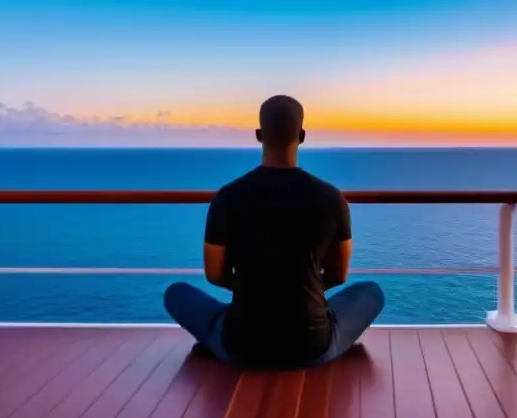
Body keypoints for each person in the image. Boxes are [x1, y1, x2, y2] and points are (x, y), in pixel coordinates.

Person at [163, 95, 385, 368]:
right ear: (302, 135)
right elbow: (338, 275)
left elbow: (215, 274)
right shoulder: (331, 198)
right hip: (312, 346)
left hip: (241, 346)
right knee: (372, 292)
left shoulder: (228, 197)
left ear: (259, 135)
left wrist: (256, 288)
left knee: (175, 293)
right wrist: (301, 288)